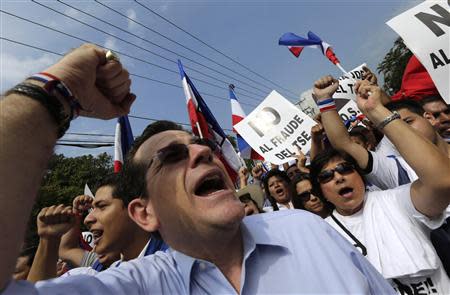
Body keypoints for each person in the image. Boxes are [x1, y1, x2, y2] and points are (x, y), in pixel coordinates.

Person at [1, 44, 395, 294]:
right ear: (144, 213)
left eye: (202, 146)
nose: (202, 155)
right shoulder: (139, 285)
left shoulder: (307, 230)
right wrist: (56, 94)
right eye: (171, 158)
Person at [311, 76, 450, 293]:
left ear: (428, 118)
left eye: (345, 169)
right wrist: (326, 102)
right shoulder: (395, 170)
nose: (338, 177)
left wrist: (379, 110)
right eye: (327, 177)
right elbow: (343, 144)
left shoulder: (394, 200)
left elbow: (442, 181)